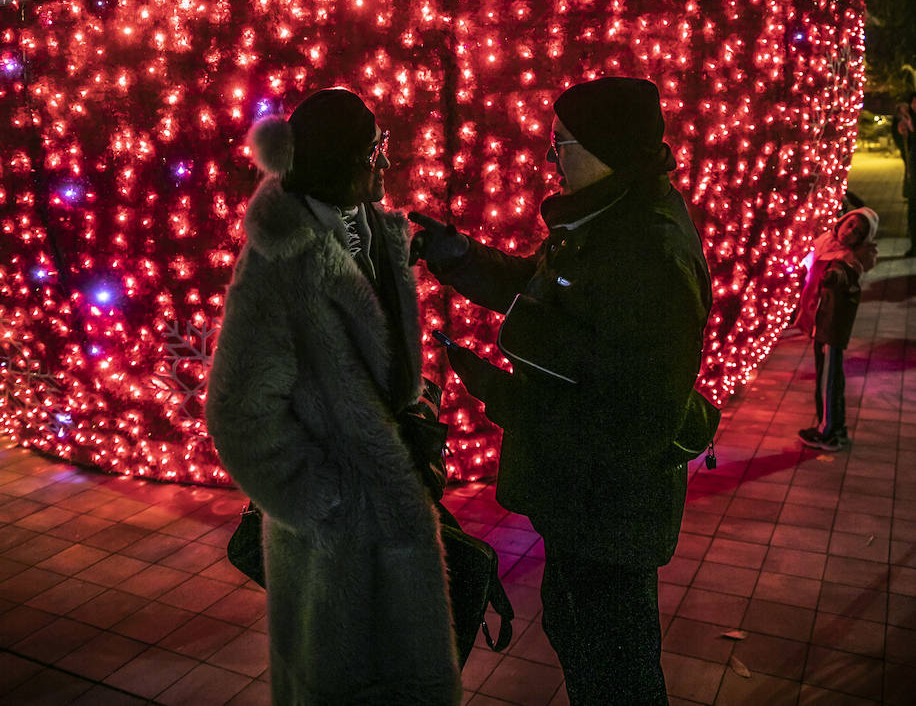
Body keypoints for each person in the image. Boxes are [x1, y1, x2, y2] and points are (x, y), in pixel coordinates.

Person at [412, 76, 714, 706]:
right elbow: (539, 289)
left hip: (608, 510)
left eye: (559, 144)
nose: (550, 158)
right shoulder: (607, 219)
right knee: (583, 637)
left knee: (612, 666)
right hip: (585, 504)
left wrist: (500, 393)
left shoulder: (647, 251)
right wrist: (456, 253)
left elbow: (634, 421)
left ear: (602, 147)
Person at [206, 88, 460, 706]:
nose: (386, 162)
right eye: (375, 149)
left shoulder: (371, 228)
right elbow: (238, 412)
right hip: (337, 556)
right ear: (343, 159)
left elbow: (374, 369)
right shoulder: (280, 262)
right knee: (342, 684)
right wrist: (327, 501)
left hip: (392, 521)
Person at [796, 206, 879, 452]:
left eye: (858, 232)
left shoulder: (848, 261)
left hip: (832, 329)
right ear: (842, 222)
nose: (850, 232)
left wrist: (832, 277)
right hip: (822, 324)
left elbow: (842, 276)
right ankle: (829, 426)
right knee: (825, 376)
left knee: (829, 381)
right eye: (850, 224)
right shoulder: (826, 245)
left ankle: (831, 431)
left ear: (863, 240)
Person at [892, 92, 916, 255]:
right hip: (913, 175)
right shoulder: (905, 119)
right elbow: (902, 142)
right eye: (914, 102)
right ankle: (914, 245)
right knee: (913, 212)